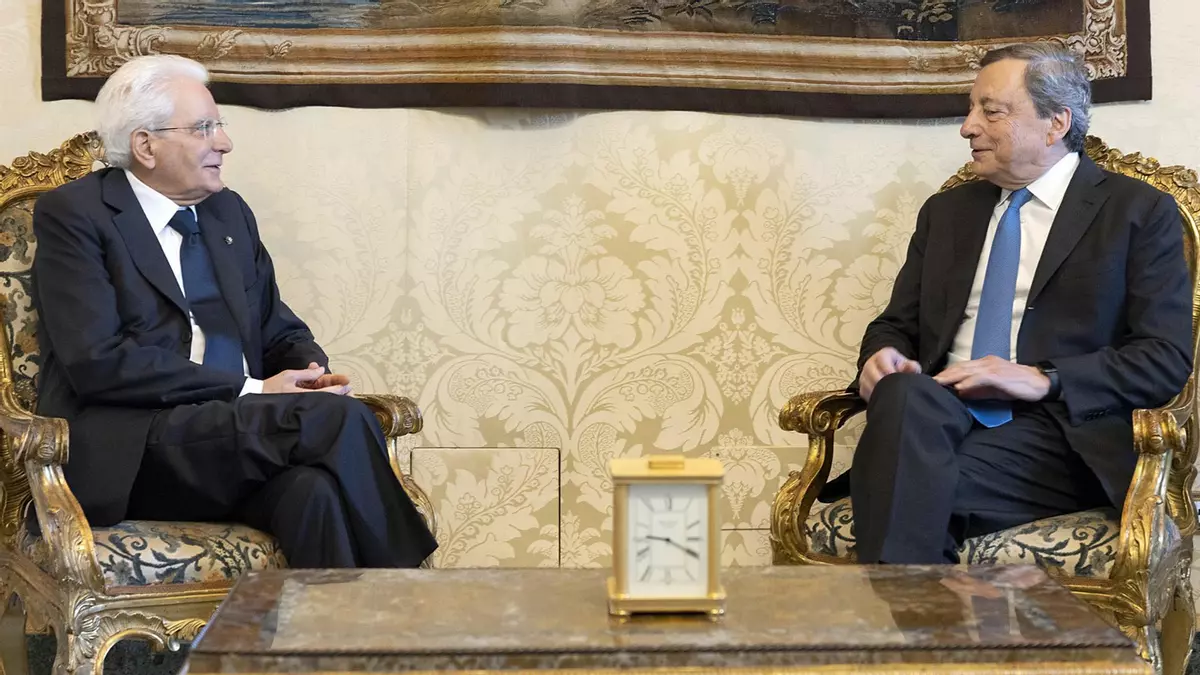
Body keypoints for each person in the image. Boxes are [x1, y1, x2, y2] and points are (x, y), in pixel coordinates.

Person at [31, 55, 436, 568]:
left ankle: (332, 623)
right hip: (140, 445)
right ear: (145, 145)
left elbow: (276, 327)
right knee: (337, 421)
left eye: (219, 126)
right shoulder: (76, 215)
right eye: (204, 128)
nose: (224, 143)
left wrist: (310, 373)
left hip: (233, 442)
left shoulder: (228, 213)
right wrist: (256, 390)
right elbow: (98, 362)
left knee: (313, 494)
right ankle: (413, 600)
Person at [822, 43, 1193, 564]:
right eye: (971, 109)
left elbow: (1164, 358)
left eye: (991, 111)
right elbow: (895, 324)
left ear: (1056, 122)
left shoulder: (1137, 212)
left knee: (901, 489)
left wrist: (1044, 378)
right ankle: (930, 618)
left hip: (1059, 430)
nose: (967, 127)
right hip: (936, 411)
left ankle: (904, 616)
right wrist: (880, 356)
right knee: (904, 395)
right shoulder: (946, 213)